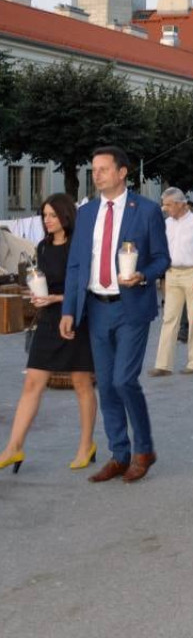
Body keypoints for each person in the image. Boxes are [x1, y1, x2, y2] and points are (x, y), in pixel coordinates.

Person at [60, 146, 170, 483]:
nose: (96, 175)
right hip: (95, 307)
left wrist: (143, 275)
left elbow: (162, 259)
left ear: (122, 172)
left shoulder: (146, 211)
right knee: (106, 385)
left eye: (103, 169)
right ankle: (119, 453)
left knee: (124, 380)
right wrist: (68, 309)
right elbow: (76, 264)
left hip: (131, 307)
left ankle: (144, 449)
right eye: (93, 169)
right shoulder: (86, 213)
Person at [0, 194, 96, 474]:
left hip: (76, 318)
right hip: (48, 320)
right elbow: (41, 280)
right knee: (32, 382)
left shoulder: (79, 246)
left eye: (53, 215)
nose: (47, 220)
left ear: (66, 216)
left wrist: (57, 298)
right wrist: (36, 294)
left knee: (81, 383)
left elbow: (86, 288)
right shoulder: (42, 247)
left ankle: (86, 445)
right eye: (44, 215)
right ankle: (13, 447)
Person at [150, 187, 193, 377]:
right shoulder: (166, 224)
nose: (165, 208)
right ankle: (163, 364)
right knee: (169, 318)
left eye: (168, 205)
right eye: (164, 205)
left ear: (180, 204)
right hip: (172, 273)